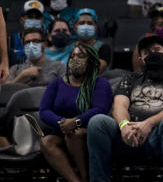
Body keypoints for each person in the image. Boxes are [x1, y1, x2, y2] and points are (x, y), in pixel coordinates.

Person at [87, 36, 163, 182]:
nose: (153, 54)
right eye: (147, 52)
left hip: (159, 135)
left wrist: (148, 124)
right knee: (97, 121)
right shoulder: (131, 78)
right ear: (140, 59)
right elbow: (119, 106)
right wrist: (125, 126)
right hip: (129, 135)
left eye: (157, 49)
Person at [38, 44, 112, 182]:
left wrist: (76, 121)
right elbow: (44, 111)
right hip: (62, 129)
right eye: (72, 56)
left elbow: (100, 109)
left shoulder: (100, 83)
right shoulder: (57, 83)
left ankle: (86, 177)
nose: (75, 59)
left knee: (74, 134)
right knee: (46, 141)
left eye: (81, 56)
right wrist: (62, 123)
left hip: (90, 131)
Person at [70, 8, 111, 73]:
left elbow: (97, 69)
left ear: (95, 27)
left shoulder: (103, 48)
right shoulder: (70, 48)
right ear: (75, 27)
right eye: (82, 23)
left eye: (90, 23)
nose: (86, 26)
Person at [9, 0, 47, 66]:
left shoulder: (48, 40)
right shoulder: (10, 41)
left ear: (42, 20)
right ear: (21, 20)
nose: (34, 19)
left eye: (37, 17)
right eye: (30, 16)